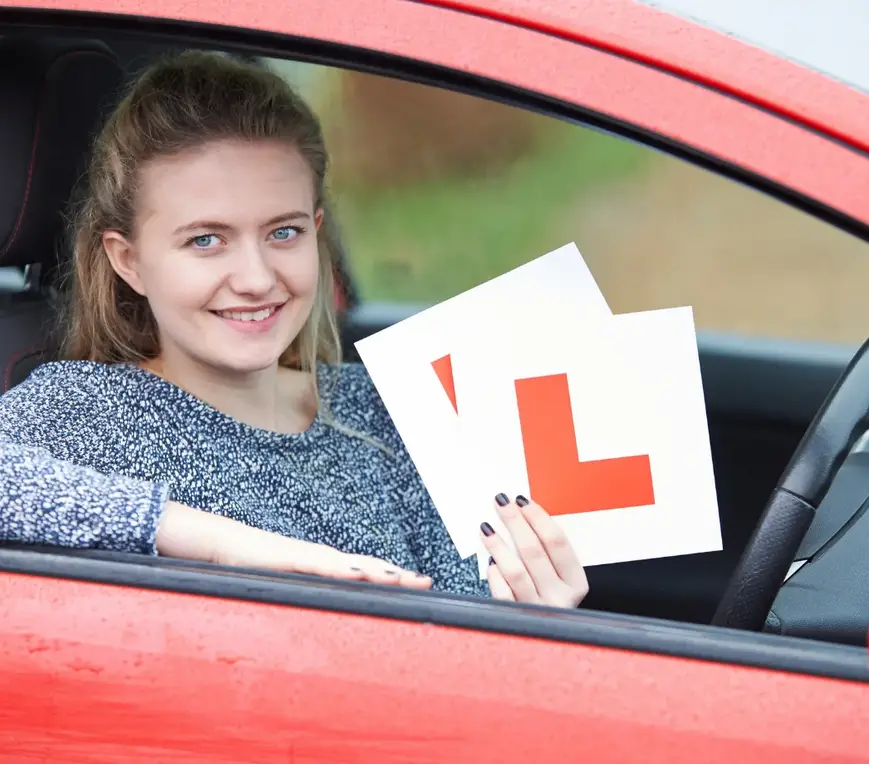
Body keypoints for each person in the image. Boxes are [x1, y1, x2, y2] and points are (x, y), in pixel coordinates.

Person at [0, 52, 588, 609]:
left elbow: (451, 650)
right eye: (206, 240)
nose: (256, 279)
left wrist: (535, 618)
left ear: (317, 230)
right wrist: (226, 544)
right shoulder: (84, 411)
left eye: (283, 232)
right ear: (129, 262)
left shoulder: (383, 408)